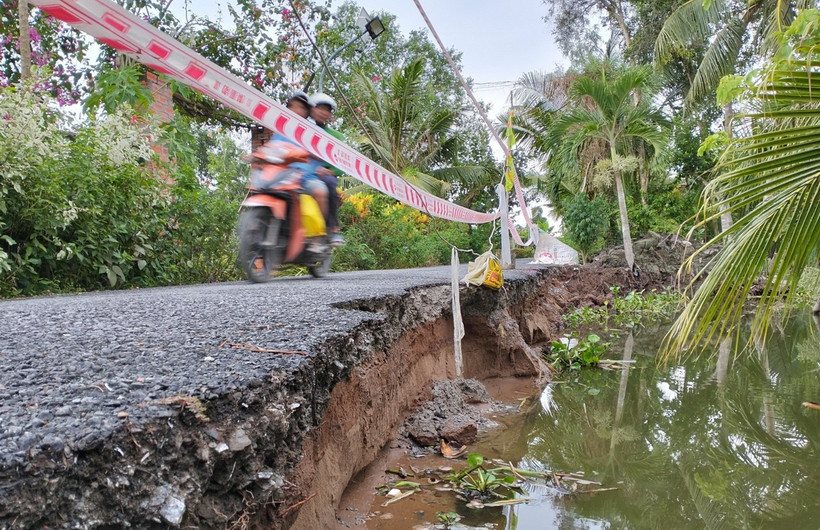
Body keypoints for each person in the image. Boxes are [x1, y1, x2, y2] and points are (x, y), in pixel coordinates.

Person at [254, 91, 329, 223]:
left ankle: (320, 236)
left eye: (301, 107)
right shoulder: (281, 129)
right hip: (282, 175)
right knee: (261, 186)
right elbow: (272, 148)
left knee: (321, 193)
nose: (296, 110)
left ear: (307, 112)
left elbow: (323, 154)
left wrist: (314, 157)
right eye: (293, 106)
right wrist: (260, 154)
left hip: (305, 178)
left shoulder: (315, 132)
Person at [307, 92, 345, 245]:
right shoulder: (301, 129)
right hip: (301, 171)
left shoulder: (336, 137)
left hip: (322, 174)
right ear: (311, 109)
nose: (323, 112)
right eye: (320, 108)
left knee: (329, 183)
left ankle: (333, 228)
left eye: (327, 110)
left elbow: (342, 163)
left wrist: (329, 171)